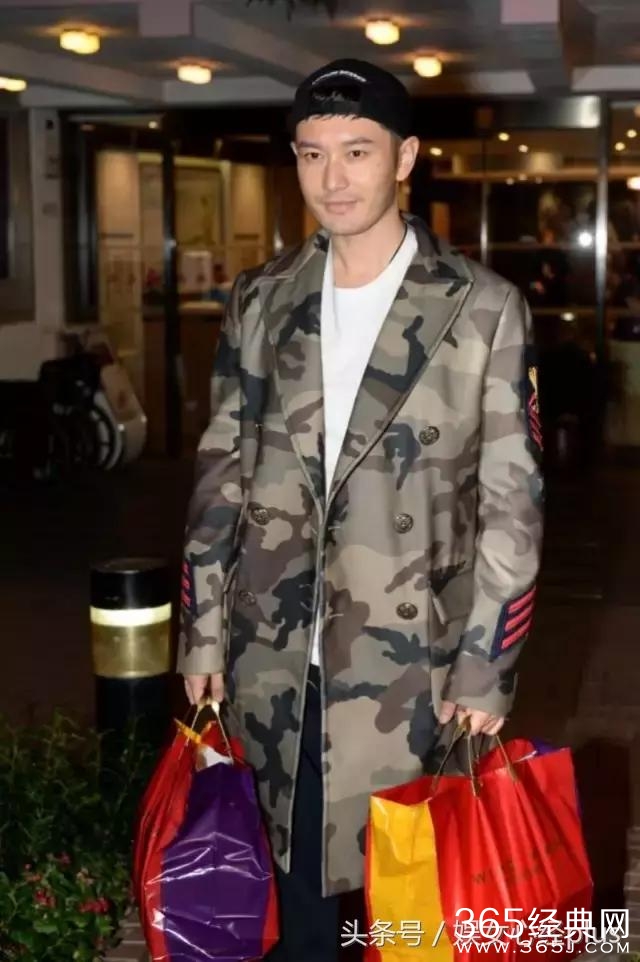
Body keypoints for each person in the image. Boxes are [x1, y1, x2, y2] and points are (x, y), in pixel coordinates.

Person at [177, 59, 544, 962]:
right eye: (312, 154)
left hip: (414, 668)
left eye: (356, 151)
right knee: (299, 899)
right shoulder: (262, 298)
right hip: (276, 658)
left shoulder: (481, 307)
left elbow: (513, 503)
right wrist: (203, 634)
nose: (332, 178)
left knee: (411, 910)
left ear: (405, 158)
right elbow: (221, 473)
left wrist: (487, 667)